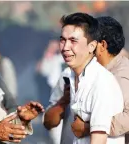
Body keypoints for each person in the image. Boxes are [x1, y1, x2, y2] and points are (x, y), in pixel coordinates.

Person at [44, 12, 124, 144]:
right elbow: (48, 122)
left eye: (73, 41)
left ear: (92, 46)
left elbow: (99, 139)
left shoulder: (101, 82)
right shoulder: (68, 76)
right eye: (63, 40)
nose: (65, 47)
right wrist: (63, 101)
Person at [71, 16, 129, 144]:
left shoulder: (121, 76)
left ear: (102, 45)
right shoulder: (99, 71)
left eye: (90, 42)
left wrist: (89, 128)